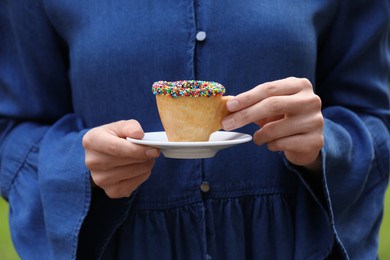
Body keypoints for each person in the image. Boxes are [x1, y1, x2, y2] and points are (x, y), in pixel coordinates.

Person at [0, 1, 389, 259]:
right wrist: (76, 167)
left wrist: (328, 145)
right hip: (121, 245)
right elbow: (11, 130)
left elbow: (375, 118)